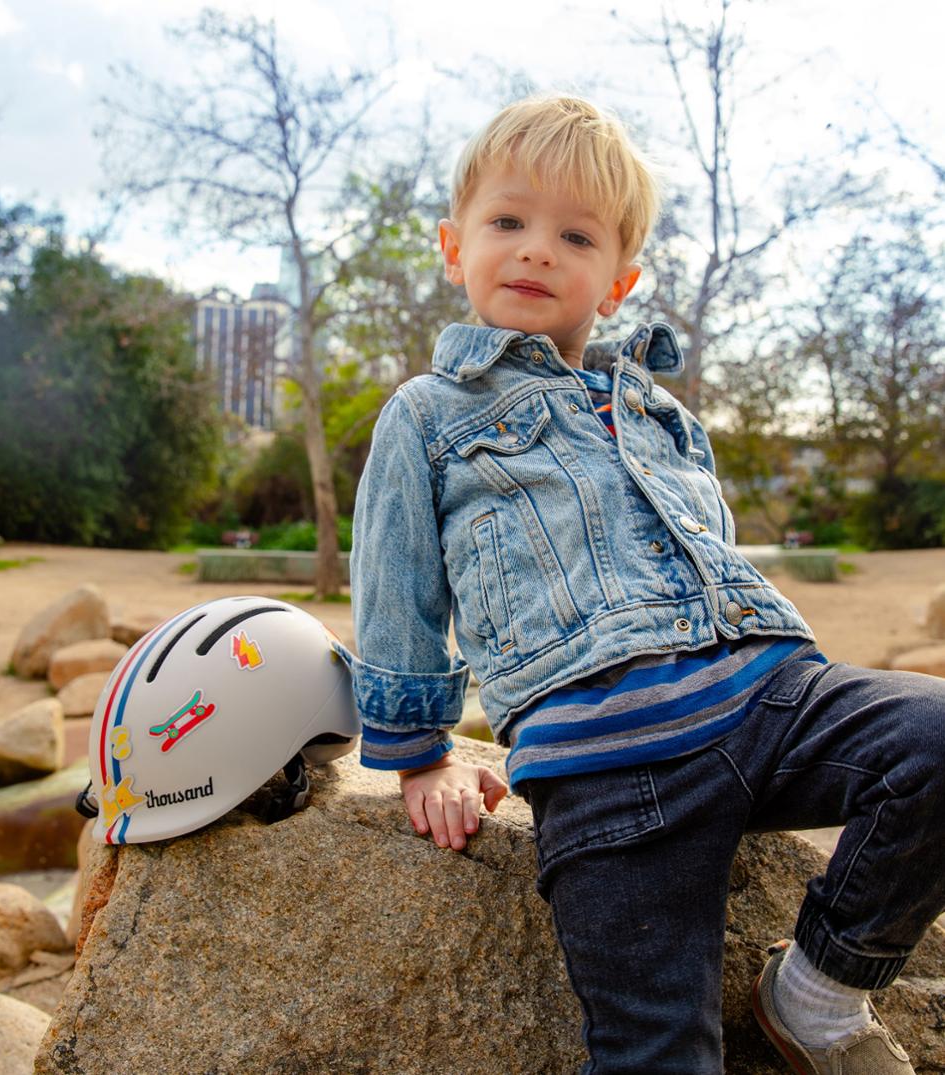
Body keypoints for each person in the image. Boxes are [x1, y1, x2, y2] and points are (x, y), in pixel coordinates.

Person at [348, 95, 945, 1074]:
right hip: (609, 759)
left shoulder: (659, 408)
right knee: (660, 1052)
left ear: (616, 281)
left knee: (931, 737)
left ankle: (819, 992)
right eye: (508, 222)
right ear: (453, 247)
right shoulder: (428, 412)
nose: (536, 249)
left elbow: (702, 546)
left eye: (572, 234)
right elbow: (395, 583)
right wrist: (420, 755)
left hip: (766, 694)